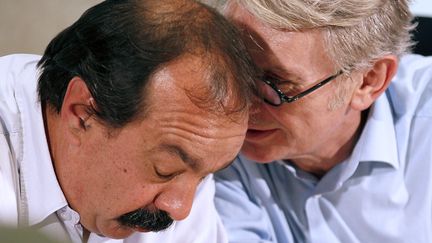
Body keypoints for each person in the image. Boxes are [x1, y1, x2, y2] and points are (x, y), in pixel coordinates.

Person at [0, 0, 258, 242]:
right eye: (164, 170)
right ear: (81, 114)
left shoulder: (191, 152)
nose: (181, 209)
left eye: (203, 177)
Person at [205, 0, 432, 242]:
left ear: (368, 81)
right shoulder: (205, 127)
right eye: (231, 69)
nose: (238, 104)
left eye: (275, 83)